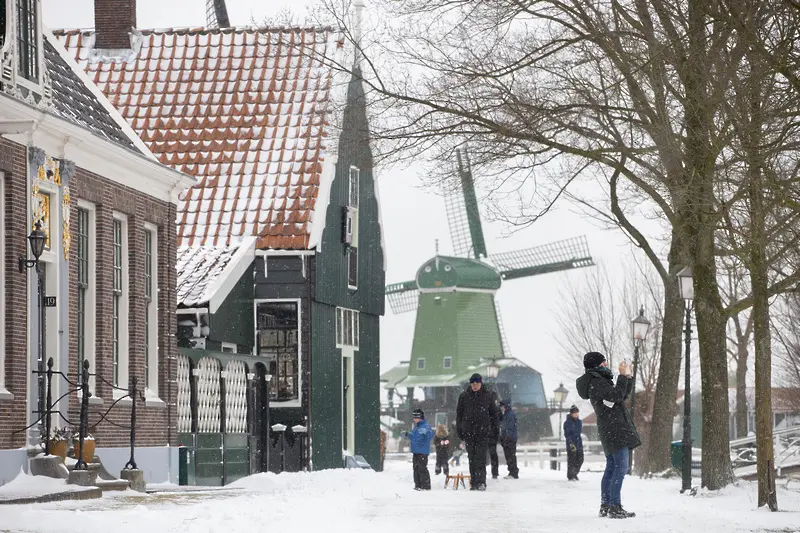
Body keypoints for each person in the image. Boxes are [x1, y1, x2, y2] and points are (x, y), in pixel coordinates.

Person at [576, 352, 641, 519]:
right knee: (620, 468)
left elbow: (621, 396)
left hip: (611, 428)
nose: (606, 364)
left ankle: (606, 505)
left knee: (612, 467)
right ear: (597, 364)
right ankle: (614, 506)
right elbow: (617, 396)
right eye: (603, 362)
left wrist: (627, 376)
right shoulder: (597, 382)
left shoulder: (599, 381)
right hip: (615, 429)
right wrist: (621, 375)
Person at [456, 373, 499, 491]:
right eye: (473, 384)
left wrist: (495, 431)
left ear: (481, 383)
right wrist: (459, 430)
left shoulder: (488, 396)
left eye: (477, 383)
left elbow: (494, 415)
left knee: (480, 457)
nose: (475, 386)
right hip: (469, 432)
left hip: (483, 432)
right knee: (472, 458)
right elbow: (459, 415)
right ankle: (474, 482)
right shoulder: (464, 396)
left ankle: (481, 482)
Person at [402, 408, 434, 490]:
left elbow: (430, 435)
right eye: (414, 417)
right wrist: (407, 434)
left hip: (422, 452)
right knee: (416, 469)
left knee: (422, 468)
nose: (415, 419)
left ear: (421, 417)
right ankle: (418, 485)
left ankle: (426, 486)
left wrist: (426, 432)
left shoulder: (426, 426)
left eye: (416, 417)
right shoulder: (416, 428)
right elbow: (414, 438)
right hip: (416, 451)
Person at [499, 400, 519, 479]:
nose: (501, 408)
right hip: (508, 438)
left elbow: (509, 427)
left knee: (510, 455)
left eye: (502, 406)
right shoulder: (507, 414)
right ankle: (512, 472)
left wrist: (507, 437)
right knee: (509, 455)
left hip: (510, 439)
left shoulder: (509, 415)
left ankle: (513, 472)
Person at [564, 405, 584, 481]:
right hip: (571, 444)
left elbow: (578, 433)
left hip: (579, 443)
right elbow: (567, 435)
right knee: (572, 460)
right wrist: (571, 444)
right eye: (574, 413)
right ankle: (570, 475)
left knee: (580, 459)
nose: (576, 414)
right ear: (571, 414)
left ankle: (574, 473)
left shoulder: (579, 422)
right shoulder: (567, 423)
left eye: (577, 412)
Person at [488, 392, 501, 479]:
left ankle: (480, 472)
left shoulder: (485, 407)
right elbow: (498, 422)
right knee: (493, 454)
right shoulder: (496, 409)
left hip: (485, 434)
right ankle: (495, 472)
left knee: (481, 454)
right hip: (492, 435)